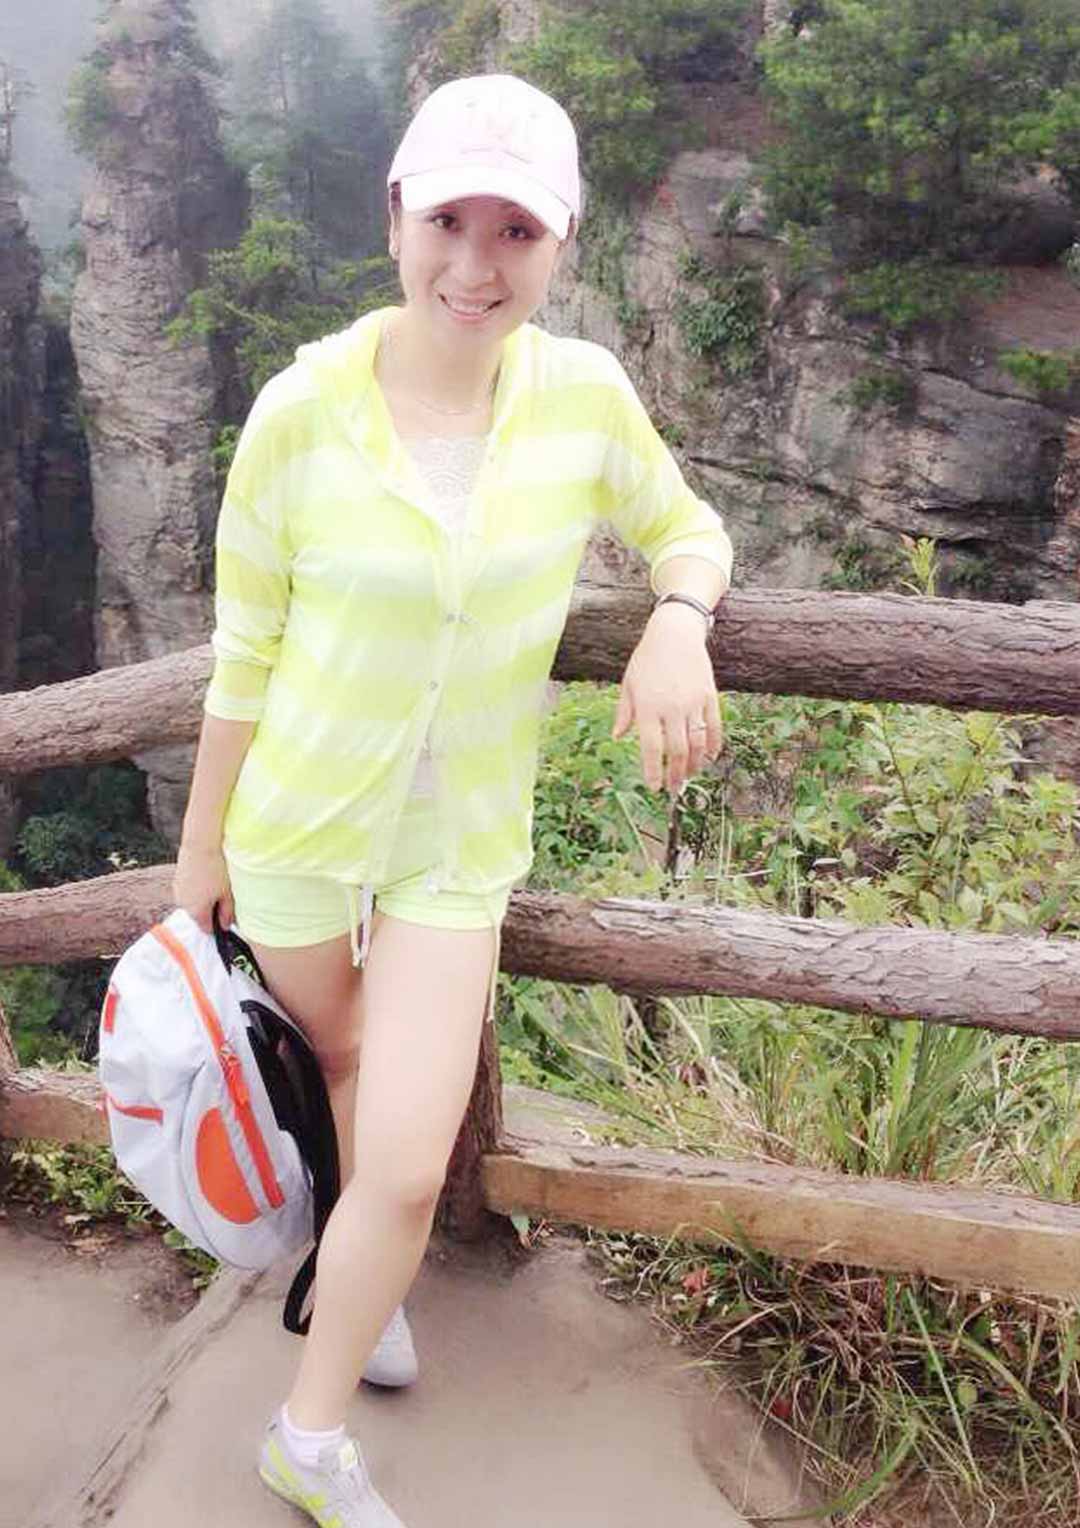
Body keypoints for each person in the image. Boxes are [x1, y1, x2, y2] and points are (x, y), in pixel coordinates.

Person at [174, 72, 733, 1528]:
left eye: (516, 232)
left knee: (413, 1161)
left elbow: (688, 527)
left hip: (457, 839)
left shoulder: (583, 397)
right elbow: (244, 656)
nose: (476, 267)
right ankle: (351, 1280)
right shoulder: (300, 412)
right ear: (395, 220)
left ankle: (305, 1437)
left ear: (562, 244)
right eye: (449, 223)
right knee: (334, 1073)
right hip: (298, 822)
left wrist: (678, 618)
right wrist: (195, 863)